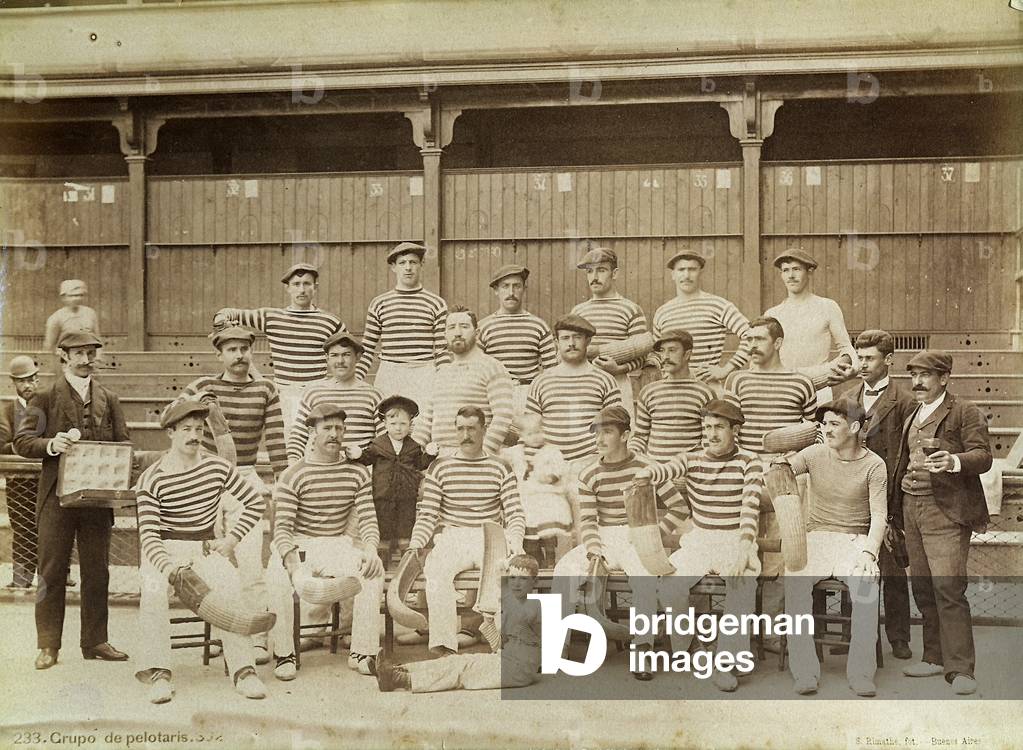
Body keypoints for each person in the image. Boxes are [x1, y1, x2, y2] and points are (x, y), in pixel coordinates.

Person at [134, 399, 268, 703]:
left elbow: (256, 502)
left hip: (206, 548)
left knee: (232, 586)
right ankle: (159, 673)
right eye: (185, 429)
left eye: (198, 428)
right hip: (165, 552)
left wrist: (231, 540)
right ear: (170, 432)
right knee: (153, 592)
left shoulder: (217, 466)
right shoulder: (151, 478)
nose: (194, 435)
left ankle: (243, 671)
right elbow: (150, 536)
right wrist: (171, 571)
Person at [15, 332, 130, 671]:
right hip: (56, 498)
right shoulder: (44, 396)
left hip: (97, 498)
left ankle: (95, 641)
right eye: (78, 353)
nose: (85, 359)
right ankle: (48, 645)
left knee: (98, 571)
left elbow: (123, 443)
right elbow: (23, 442)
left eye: (90, 353)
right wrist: (52, 444)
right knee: (51, 571)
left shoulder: (109, 398)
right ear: (62, 355)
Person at [551, 406, 689, 681]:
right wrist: (593, 550)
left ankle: (643, 650)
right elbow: (588, 521)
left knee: (645, 576)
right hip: (603, 537)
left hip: (638, 534)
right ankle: (558, 647)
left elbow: (679, 507)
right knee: (564, 570)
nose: (600, 439)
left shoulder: (648, 469)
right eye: (597, 433)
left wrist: (653, 536)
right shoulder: (590, 473)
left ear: (625, 435)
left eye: (608, 432)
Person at [182, 325, 288, 664]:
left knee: (250, 562)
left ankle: (257, 637)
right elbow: (176, 420)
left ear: (251, 352)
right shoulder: (202, 386)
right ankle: (223, 629)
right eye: (231, 349)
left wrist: (281, 479)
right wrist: (198, 407)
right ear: (219, 354)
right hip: (205, 479)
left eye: (244, 348)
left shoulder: (265, 389)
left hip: (245, 477)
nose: (239, 355)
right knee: (212, 563)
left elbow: (275, 438)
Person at [645, 399, 763, 693]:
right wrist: (645, 474)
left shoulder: (750, 462)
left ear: (735, 430)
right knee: (670, 586)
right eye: (707, 427)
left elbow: (750, 508)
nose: (711, 434)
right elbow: (663, 471)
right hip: (700, 539)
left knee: (742, 582)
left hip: (735, 538)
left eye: (719, 428)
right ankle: (692, 648)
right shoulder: (690, 459)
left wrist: (744, 549)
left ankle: (724, 662)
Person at [892, 351, 992, 696]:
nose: (917, 382)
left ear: (945, 378)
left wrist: (952, 460)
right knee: (922, 587)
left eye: (926, 375)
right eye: (913, 376)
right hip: (911, 508)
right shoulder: (913, 412)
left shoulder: (965, 411)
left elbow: (983, 456)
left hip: (945, 511)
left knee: (948, 588)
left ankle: (961, 669)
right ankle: (934, 657)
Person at [267, 403, 385, 681]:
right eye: (327, 428)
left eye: (339, 429)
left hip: (337, 543)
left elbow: (368, 520)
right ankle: (285, 653)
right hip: (300, 544)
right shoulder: (293, 474)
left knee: (372, 571)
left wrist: (370, 549)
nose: (334, 434)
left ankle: (363, 652)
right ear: (312, 432)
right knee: (277, 578)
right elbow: (282, 529)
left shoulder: (357, 473)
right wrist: (293, 565)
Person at [779, 397, 887, 697]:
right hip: (817, 539)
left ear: (854, 427)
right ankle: (804, 672)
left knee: (866, 587)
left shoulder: (875, 465)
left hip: (855, 542)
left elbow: (879, 515)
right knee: (795, 582)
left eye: (834, 424)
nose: (826, 429)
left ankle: (862, 674)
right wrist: (781, 462)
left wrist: (869, 552)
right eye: (824, 423)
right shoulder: (813, 454)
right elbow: (780, 473)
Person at [407, 406, 526, 655]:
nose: (466, 435)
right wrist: (416, 543)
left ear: (483, 430)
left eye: (472, 428)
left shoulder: (500, 467)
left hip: (490, 535)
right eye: (460, 428)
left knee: (504, 573)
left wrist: (515, 541)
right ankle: (444, 646)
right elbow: (428, 514)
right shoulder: (440, 467)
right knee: (437, 572)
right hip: (454, 536)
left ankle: (504, 644)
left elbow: (514, 512)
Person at [375, 554, 543, 693]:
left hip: (518, 671)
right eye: (513, 578)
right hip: (504, 662)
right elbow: (498, 646)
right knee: (458, 661)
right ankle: (400, 670)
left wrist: (500, 603)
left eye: (523, 579)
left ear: (534, 583)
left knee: (463, 669)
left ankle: (402, 679)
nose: (517, 583)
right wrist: (488, 621)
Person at [216, 263, 346, 432]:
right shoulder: (271, 317)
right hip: (284, 394)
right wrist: (221, 321)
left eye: (307, 284)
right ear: (287, 288)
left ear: (315, 287)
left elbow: (350, 355)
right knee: (286, 443)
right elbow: (227, 313)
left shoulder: (330, 322)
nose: (302, 290)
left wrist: (337, 385)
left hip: (318, 392)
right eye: (296, 284)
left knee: (318, 442)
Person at [850, 329, 917, 661]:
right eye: (859, 357)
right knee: (854, 564)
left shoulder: (905, 402)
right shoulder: (848, 397)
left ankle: (899, 637)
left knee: (891, 569)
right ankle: (857, 634)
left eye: (869, 358)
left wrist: (896, 507)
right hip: (852, 495)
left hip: (888, 497)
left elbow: (906, 455)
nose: (862, 364)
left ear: (888, 360)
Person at [356, 242, 448, 414]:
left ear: (421, 265)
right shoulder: (380, 303)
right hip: (391, 372)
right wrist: (356, 380)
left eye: (413, 262)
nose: (408, 268)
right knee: (389, 420)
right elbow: (367, 349)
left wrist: (444, 381)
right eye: (402, 263)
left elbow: (442, 350)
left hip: (424, 372)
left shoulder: (436, 304)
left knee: (422, 423)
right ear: (393, 267)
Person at [411, 306, 515, 456]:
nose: (457, 333)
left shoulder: (492, 367)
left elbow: (503, 416)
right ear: (445, 334)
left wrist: (483, 453)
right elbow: (426, 421)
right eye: (452, 328)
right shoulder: (441, 372)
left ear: (477, 333)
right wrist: (410, 454)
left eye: (464, 327)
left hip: (476, 458)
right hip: (438, 458)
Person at [764, 249, 858, 405]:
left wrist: (852, 369)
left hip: (819, 390)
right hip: (783, 390)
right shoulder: (772, 314)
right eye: (785, 270)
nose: (791, 276)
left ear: (809, 271)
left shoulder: (827, 306)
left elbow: (846, 347)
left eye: (796, 269)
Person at [525, 315, 623, 463]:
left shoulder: (605, 380)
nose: (571, 343)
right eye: (565, 338)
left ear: (588, 341)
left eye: (577, 337)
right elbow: (530, 430)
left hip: (592, 464)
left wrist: (599, 461)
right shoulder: (541, 382)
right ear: (556, 342)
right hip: (549, 467)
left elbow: (615, 429)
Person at [349, 395, 439, 554]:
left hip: (407, 494)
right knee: (384, 523)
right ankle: (383, 553)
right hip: (383, 494)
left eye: (403, 424)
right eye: (393, 424)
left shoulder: (413, 447)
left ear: (410, 424)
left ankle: (406, 551)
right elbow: (366, 458)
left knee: (406, 522)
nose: (398, 428)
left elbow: (420, 464)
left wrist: (430, 454)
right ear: (385, 424)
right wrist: (357, 454)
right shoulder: (378, 445)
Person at [478, 264, 558, 434]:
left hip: (528, 397)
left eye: (517, 286)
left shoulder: (538, 326)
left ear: (524, 289)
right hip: (493, 397)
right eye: (505, 286)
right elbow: (476, 370)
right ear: (496, 291)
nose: (511, 292)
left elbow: (552, 372)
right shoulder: (483, 327)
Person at [651, 251, 751, 388]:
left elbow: (751, 335)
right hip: (672, 388)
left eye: (692, 269)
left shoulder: (719, 305)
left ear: (700, 273)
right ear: (673, 275)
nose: (686, 275)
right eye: (681, 270)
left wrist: (726, 369)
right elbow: (657, 354)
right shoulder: (662, 312)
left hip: (707, 386)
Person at [571, 247, 650, 417]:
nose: (594, 277)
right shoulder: (578, 312)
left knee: (618, 433)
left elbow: (642, 355)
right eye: (590, 271)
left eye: (601, 270)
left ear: (614, 273)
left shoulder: (631, 309)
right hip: (584, 383)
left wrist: (620, 368)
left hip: (617, 382)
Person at [288, 332, 383, 462]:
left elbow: (385, 442)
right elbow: (298, 436)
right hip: (322, 471)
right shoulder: (313, 393)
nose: (340, 361)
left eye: (346, 355)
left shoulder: (373, 395)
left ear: (358, 357)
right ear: (327, 358)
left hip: (361, 471)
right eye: (334, 355)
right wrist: (293, 464)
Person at [629, 329, 716, 462]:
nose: (665, 357)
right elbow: (640, 436)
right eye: (662, 351)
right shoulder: (648, 392)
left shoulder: (704, 393)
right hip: (655, 472)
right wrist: (633, 457)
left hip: (689, 472)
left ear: (687, 354)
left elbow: (708, 442)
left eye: (672, 350)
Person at [499, 413, 573, 568]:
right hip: (526, 497)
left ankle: (551, 558)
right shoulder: (517, 451)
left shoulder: (551, 451)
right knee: (529, 529)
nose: (535, 437)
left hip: (547, 495)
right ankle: (533, 559)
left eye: (538, 432)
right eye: (530, 434)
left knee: (547, 528)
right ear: (522, 436)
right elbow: (501, 454)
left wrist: (551, 477)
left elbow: (560, 467)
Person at [0, 355, 41, 587]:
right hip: (20, 481)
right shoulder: (6, 412)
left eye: (32, 380)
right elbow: (2, 445)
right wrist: (29, 446)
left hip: (47, 478)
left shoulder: (47, 405)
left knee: (51, 529)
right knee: (22, 527)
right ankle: (21, 579)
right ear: (13, 383)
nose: (28, 385)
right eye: (22, 381)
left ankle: (58, 576)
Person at [42, 279, 101, 358]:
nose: (78, 298)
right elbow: (48, 347)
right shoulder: (56, 318)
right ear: (64, 297)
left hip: (89, 359)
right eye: (73, 296)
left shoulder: (90, 313)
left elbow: (98, 339)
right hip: (67, 361)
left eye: (81, 295)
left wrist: (99, 358)